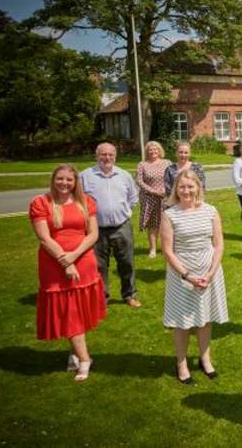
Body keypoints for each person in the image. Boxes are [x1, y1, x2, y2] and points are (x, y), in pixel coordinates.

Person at [29, 164, 107, 381]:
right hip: (54, 264)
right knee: (68, 311)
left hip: (83, 261)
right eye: (60, 179)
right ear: (53, 179)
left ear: (75, 182)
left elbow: (92, 234)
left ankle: (75, 353)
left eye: (69, 180)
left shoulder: (86, 202)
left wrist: (74, 256)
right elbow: (45, 238)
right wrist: (66, 262)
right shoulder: (40, 203)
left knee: (77, 311)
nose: (64, 183)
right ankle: (84, 359)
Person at [161, 170, 229, 384]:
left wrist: (210, 273)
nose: (186, 190)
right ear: (176, 189)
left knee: (205, 318)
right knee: (183, 322)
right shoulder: (169, 214)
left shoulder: (211, 211)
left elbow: (219, 245)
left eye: (191, 186)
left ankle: (205, 358)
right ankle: (181, 363)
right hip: (182, 273)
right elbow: (168, 251)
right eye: (182, 187)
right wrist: (187, 275)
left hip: (209, 270)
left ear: (198, 187)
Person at [80, 142, 141, 307]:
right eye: (103, 154)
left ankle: (129, 295)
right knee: (99, 265)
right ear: (96, 156)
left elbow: (133, 197)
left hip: (122, 226)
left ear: (115, 156)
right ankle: (102, 297)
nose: (107, 158)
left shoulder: (124, 175)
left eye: (110, 155)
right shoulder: (85, 176)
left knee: (127, 262)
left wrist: (125, 212)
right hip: (96, 229)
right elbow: (78, 202)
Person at [136, 141, 171, 258]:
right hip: (149, 198)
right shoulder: (142, 164)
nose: (153, 151)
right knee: (152, 224)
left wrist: (168, 191)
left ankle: (168, 248)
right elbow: (139, 181)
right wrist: (153, 191)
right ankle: (153, 249)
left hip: (165, 197)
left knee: (167, 223)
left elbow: (172, 178)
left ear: (159, 150)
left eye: (155, 149)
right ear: (147, 152)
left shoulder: (167, 163)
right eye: (150, 150)